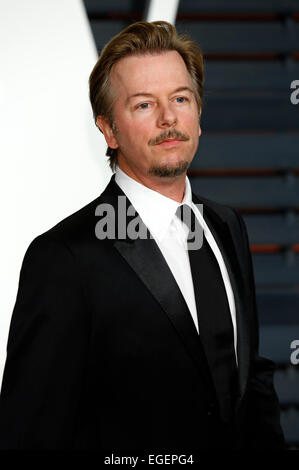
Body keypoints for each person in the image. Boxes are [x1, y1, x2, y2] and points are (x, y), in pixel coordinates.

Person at [0, 21, 284, 451]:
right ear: (109, 131)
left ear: (200, 115)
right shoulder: (64, 257)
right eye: (144, 105)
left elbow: (250, 379)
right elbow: (29, 431)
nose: (169, 118)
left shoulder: (227, 226)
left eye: (181, 99)